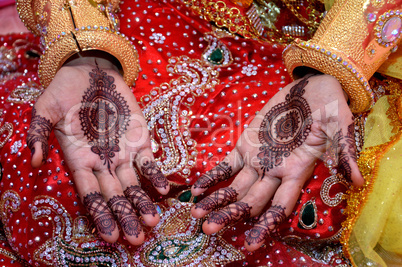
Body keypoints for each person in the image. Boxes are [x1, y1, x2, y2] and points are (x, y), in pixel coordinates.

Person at [0, 0, 400, 266]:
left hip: (301, 42)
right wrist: (83, 50)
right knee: (49, 167)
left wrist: (330, 65)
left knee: (315, 185)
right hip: (135, 28)